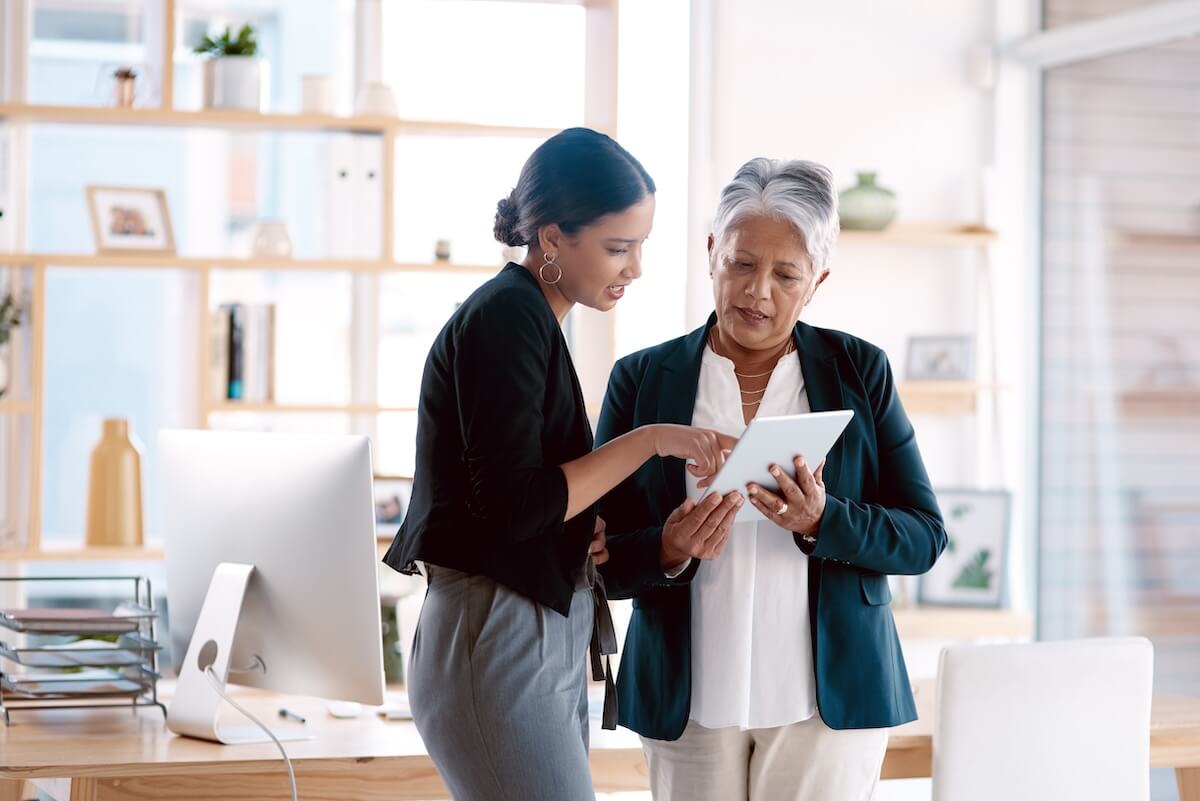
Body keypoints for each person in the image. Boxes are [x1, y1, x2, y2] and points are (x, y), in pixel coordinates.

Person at [382, 127, 741, 801]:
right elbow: (517, 506)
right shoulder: (507, 319)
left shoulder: (531, 318)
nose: (634, 267)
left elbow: (529, 497)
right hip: (497, 631)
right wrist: (650, 439)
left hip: (525, 627)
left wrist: (579, 527)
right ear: (551, 238)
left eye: (640, 246)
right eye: (617, 247)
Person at [596, 157, 947, 801]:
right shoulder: (641, 380)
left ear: (817, 281)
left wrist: (823, 521)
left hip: (827, 704)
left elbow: (924, 537)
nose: (758, 291)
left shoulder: (860, 370)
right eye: (741, 263)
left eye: (786, 274)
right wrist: (669, 549)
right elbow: (597, 561)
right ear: (710, 253)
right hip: (687, 700)